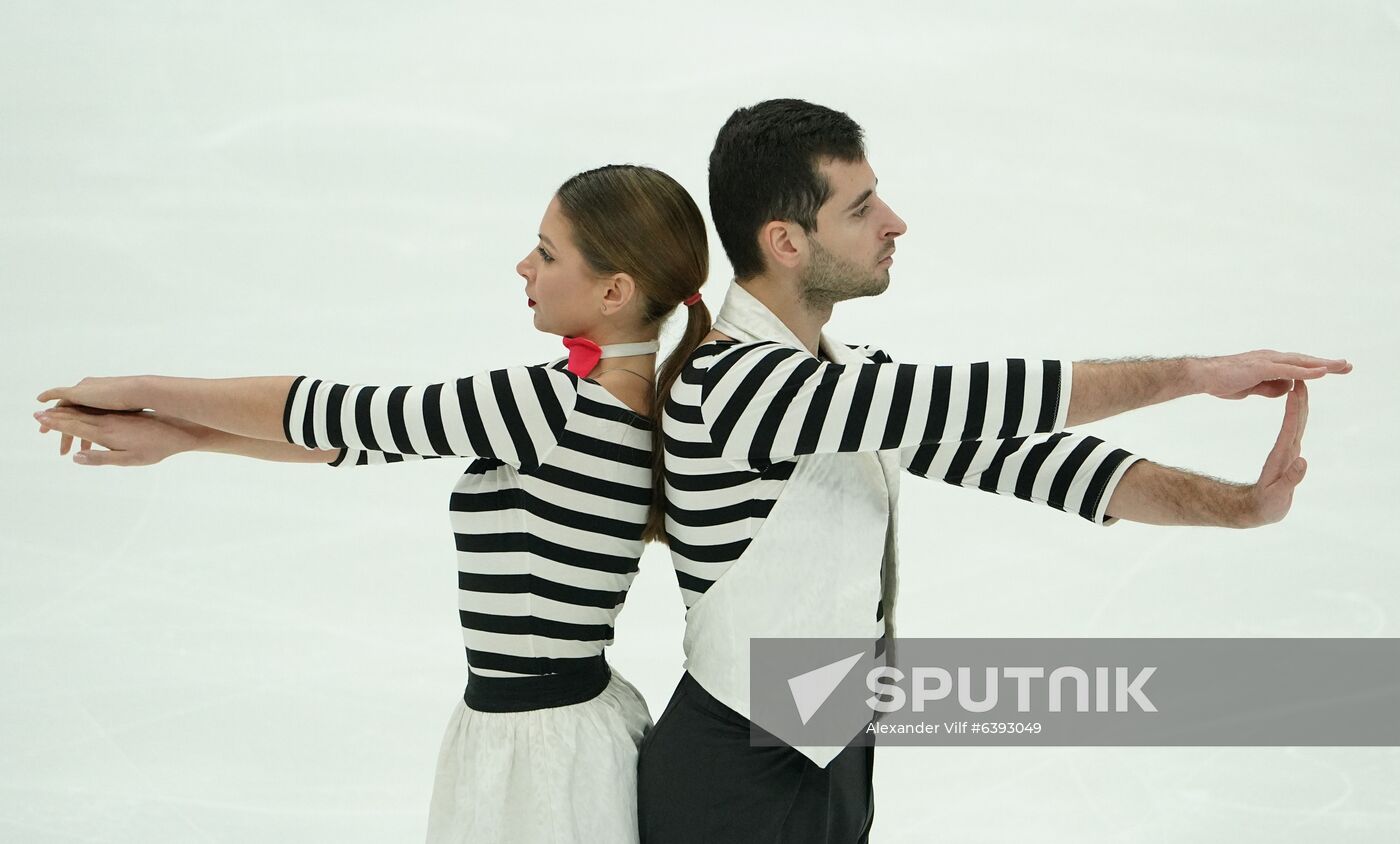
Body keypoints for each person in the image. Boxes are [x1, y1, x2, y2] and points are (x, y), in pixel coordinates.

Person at [635, 98, 1352, 843]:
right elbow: (981, 397)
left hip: (831, 761)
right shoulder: (730, 385)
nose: (894, 221)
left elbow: (1037, 459)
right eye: (861, 207)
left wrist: (1239, 506)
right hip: (731, 781)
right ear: (784, 241)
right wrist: (1197, 373)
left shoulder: (846, 383)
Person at [32, 163, 711, 844]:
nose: (523, 265)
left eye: (547, 252)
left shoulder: (550, 406)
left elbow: (348, 416)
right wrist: (184, 437)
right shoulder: (602, 399)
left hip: (537, 751)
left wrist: (143, 388)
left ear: (615, 291)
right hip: (560, 731)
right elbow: (361, 445)